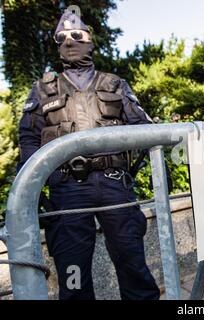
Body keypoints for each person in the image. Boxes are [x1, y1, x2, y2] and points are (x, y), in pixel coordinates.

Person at [17, 9, 160, 300]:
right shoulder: (43, 90)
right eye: (62, 38)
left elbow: (144, 129)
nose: (69, 42)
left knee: (132, 263)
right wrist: (35, 190)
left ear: (90, 42)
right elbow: (28, 138)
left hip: (114, 187)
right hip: (67, 191)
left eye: (77, 36)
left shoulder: (114, 84)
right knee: (72, 275)